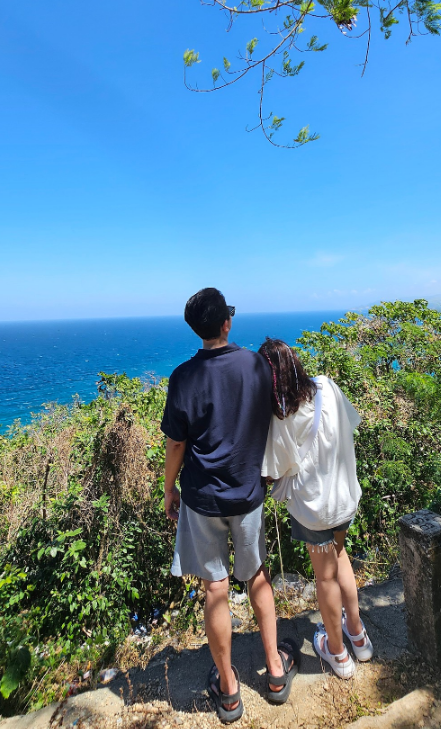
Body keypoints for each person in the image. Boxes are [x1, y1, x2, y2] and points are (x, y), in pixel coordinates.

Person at [162, 289, 300, 723]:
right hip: (248, 493)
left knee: (215, 589)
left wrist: (169, 489)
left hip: (203, 498)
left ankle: (229, 689)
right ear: (227, 322)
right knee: (257, 576)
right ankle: (275, 671)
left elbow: (176, 444)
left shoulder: (182, 377)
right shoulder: (257, 366)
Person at [259, 338, 374, 680]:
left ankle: (338, 654)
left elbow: (275, 468)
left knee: (325, 578)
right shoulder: (327, 386)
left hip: (314, 510)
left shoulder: (282, 416)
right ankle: (359, 638)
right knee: (341, 559)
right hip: (345, 498)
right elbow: (349, 424)